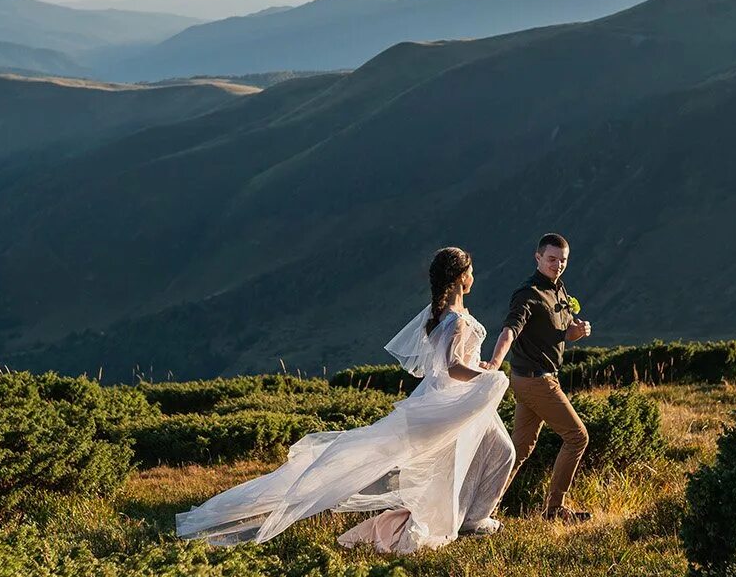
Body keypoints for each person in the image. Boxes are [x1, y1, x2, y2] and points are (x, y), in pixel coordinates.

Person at [174, 247, 516, 553]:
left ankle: (472, 517)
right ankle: (473, 519)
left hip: (457, 400)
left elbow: (448, 365)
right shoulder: (454, 319)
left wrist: (479, 369)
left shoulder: (440, 313)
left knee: (485, 454)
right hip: (457, 401)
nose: (474, 276)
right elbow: (453, 367)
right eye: (470, 271)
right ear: (459, 277)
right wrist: (487, 375)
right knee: (500, 451)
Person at [483, 232, 594, 523]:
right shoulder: (528, 293)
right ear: (538, 258)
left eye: (562, 260)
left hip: (537, 378)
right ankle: (555, 510)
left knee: (520, 449)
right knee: (577, 437)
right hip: (535, 380)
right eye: (551, 259)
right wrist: (495, 362)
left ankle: (481, 512)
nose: (557, 265)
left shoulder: (559, 291)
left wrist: (577, 333)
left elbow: (563, 333)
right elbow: (510, 330)